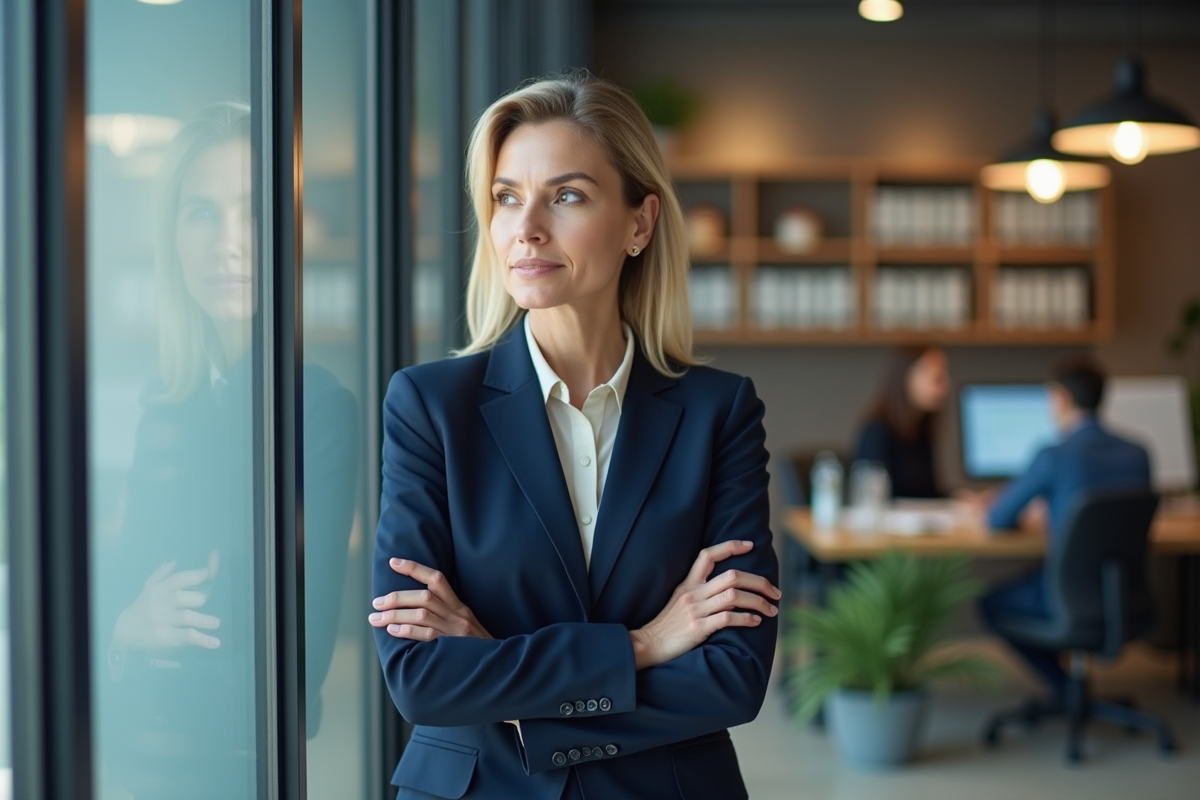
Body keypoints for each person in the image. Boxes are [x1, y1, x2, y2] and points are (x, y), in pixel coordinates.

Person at [368, 75, 779, 800]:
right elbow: (420, 677)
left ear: (639, 224)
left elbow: (732, 676)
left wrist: (502, 675)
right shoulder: (429, 407)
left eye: (566, 196)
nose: (526, 227)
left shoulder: (720, 412)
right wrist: (645, 645)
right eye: (506, 197)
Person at [95, 102, 358, 800]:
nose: (228, 243)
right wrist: (128, 627)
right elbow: (117, 592)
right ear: (173, 238)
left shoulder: (319, 412)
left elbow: (293, 670)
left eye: (252, 211)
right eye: (202, 213)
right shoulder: (166, 406)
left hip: (239, 772)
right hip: (132, 770)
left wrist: (127, 639)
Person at [977, 357, 1151, 702]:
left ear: (1061, 399)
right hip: (1125, 595)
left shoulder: (1055, 455)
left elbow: (997, 519)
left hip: (1065, 600)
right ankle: (1074, 690)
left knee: (990, 603)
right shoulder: (1138, 453)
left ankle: (1066, 688)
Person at [852, 345, 952, 499]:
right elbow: (871, 497)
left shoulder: (921, 429)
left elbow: (927, 493)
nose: (945, 386)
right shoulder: (876, 432)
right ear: (905, 378)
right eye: (936, 378)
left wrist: (956, 499)